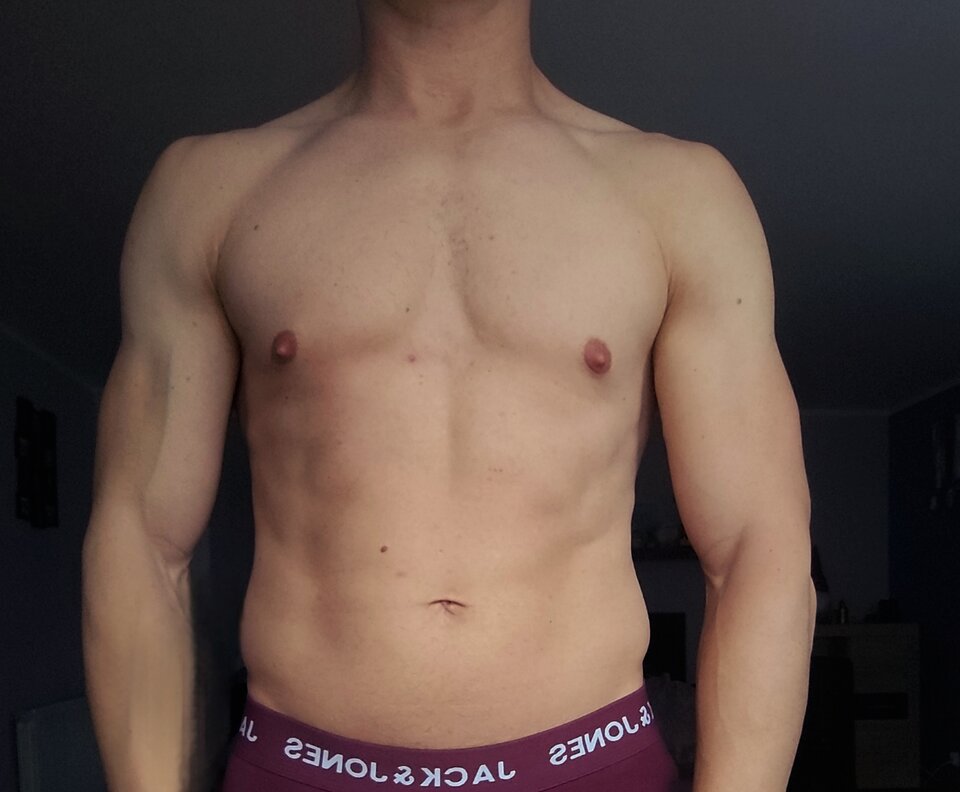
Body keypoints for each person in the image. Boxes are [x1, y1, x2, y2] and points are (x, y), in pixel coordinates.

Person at [81, 1, 816, 790]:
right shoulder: (211, 189)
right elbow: (141, 538)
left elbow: (757, 546)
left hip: (592, 764)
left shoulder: (678, 194)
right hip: (303, 768)